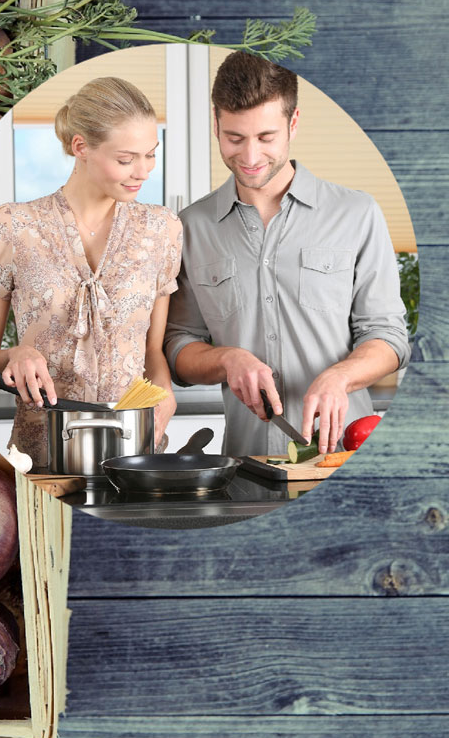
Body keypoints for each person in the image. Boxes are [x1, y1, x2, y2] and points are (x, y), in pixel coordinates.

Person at [164, 51, 411, 458]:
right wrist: (227, 359)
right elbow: (178, 345)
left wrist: (342, 376)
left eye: (266, 138)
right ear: (216, 125)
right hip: (245, 465)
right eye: (234, 138)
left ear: (293, 123)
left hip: (345, 456)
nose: (250, 158)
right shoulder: (190, 227)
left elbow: (388, 336)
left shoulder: (356, 213)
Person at [0, 76, 182, 463]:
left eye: (151, 154)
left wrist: (164, 391)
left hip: (135, 454)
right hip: (42, 456)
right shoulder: (14, 225)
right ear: (80, 147)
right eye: (126, 159)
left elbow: (153, 350)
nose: (143, 171)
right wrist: (16, 354)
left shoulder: (162, 229)